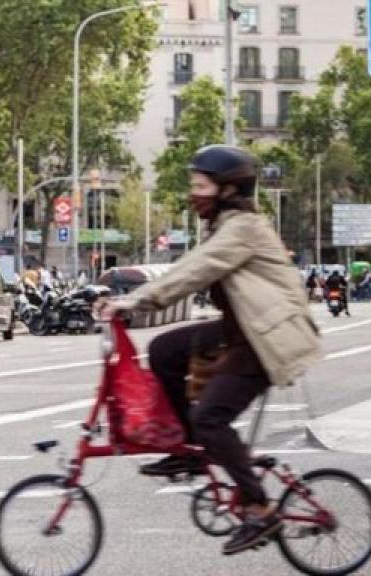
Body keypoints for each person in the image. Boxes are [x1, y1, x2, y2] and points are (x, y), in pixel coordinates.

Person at [101, 145, 321, 555]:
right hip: (239, 331)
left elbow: (197, 269)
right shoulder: (223, 226)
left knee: (211, 419)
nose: (193, 194)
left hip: (265, 339)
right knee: (165, 351)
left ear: (226, 190)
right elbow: (193, 263)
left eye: (200, 186)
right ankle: (191, 451)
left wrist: (136, 300)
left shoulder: (244, 228)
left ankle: (259, 507)